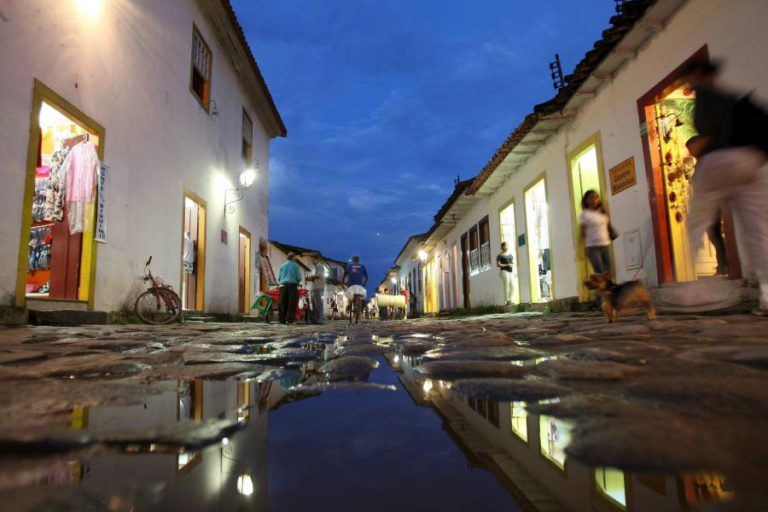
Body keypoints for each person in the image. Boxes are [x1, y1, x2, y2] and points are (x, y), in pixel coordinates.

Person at [681, 60, 768, 315]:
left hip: (719, 160)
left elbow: (708, 130)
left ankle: (690, 293)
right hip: (749, 161)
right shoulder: (735, 98)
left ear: (698, 74)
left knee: (696, 222)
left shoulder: (706, 95)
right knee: (759, 232)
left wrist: (701, 146)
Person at [686, 136, 728, 276]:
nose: (690, 152)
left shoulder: (708, 158)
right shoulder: (700, 161)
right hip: (708, 202)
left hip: (713, 201)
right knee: (713, 235)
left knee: (715, 234)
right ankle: (722, 265)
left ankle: (724, 266)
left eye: (691, 148)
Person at [579, 190, 614, 277]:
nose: (594, 199)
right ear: (586, 200)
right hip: (592, 247)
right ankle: (602, 290)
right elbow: (582, 232)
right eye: (591, 197)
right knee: (600, 273)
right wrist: (581, 249)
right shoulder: (584, 214)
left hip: (605, 245)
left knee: (609, 273)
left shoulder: (602, 212)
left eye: (596, 197)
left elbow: (607, 227)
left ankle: (609, 290)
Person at [277, 253, 302, 324]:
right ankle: (290, 319)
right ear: (293, 257)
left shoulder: (282, 266)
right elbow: (299, 278)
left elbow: (279, 278)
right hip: (292, 286)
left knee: (282, 302)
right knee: (291, 302)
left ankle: (281, 320)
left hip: (283, 285)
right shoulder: (296, 266)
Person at [306, 253, 326, 324]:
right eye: (311, 260)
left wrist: (311, 277)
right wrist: (311, 279)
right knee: (314, 304)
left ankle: (319, 320)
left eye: (313, 260)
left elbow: (319, 275)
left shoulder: (319, 266)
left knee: (318, 304)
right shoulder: (317, 266)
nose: (312, 262)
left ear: (317, 259)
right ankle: (316, 319)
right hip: (316, 287)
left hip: (318, 287)